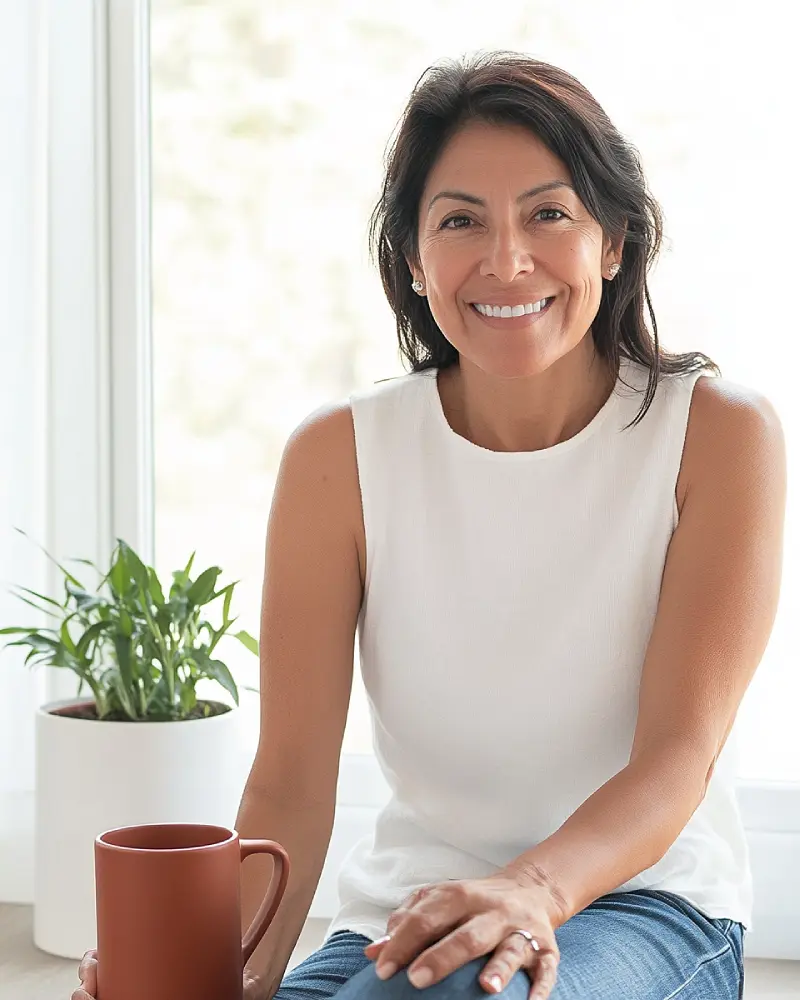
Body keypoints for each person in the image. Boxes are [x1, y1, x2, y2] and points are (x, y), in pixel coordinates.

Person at [73, 51, 786, 1000]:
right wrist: (216, 976)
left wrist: (527, 889)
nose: (506, 260)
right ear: (414, 260)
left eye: (549, 213)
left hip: (642, 906)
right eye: (460, 221)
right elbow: (289, 784)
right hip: (400, 916)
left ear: (614, 241)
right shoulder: (340, 458)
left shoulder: (717, 437)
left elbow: (675, 761)